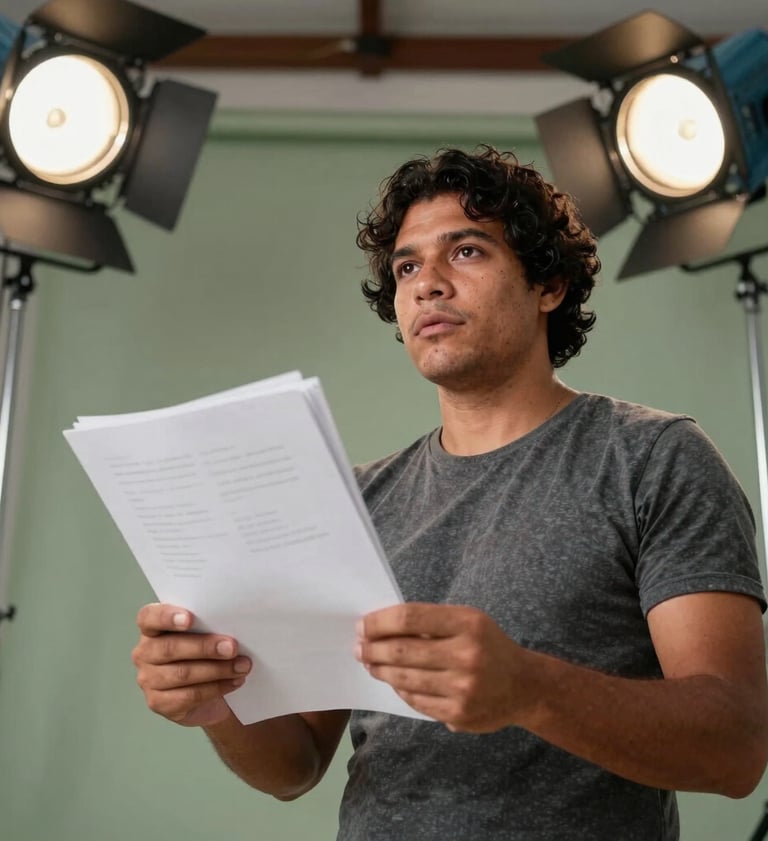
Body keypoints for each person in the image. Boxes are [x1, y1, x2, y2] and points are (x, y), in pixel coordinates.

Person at [132, 146, 768, 840]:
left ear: (547, 283)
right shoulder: (358, 498)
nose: (427, 283)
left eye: (465, 252)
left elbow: (736, 747)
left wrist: (529, 687)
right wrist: (217, 706)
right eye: (406, 266)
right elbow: (296, 763)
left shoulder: (652, 457)